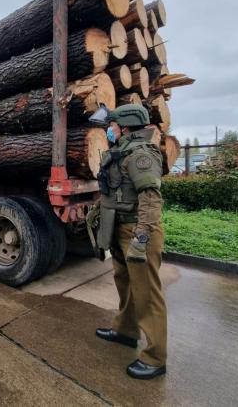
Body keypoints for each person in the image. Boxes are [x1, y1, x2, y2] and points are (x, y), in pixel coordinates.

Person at [89, 104, 167, 380]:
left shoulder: (140, 154)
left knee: (147, 294)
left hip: (137, 229)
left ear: (124, 127)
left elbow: (151, 198)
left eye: (112, 126)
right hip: (120, 228)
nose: (109, 131)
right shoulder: (122, 151)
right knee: (125, 282)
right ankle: (125, 331)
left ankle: (155, 357)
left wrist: (141, 238)